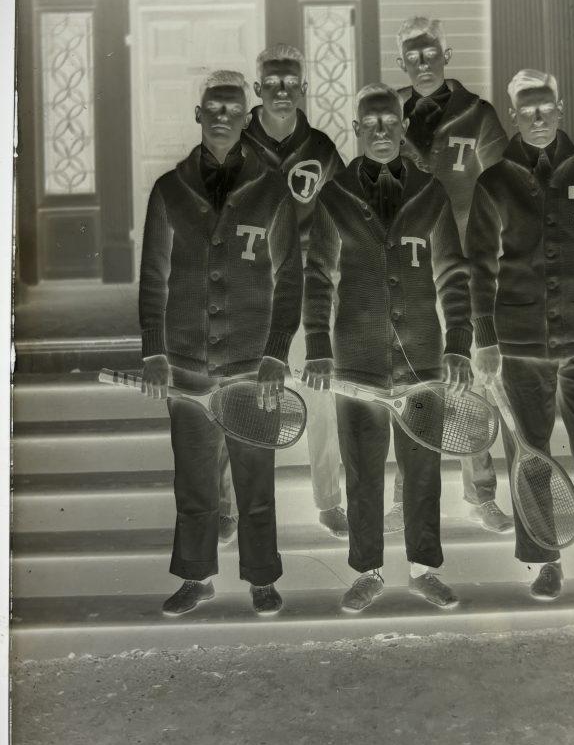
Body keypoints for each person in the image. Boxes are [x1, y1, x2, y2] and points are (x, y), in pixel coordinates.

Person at [467, 68, 574, 604]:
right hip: (520, 345)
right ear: (512, 115)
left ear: (560, 109)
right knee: (529, 453)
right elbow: (478, 267)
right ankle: (544, 560)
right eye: (527, 109)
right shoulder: (494, 181)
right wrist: (486, 337)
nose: (538, 117)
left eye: (546, 107)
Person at [302, 82, 473, 612]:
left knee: (422, 468)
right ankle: (366, 570)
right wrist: (316, 345)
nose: (380, 130)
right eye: (369, 122)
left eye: (389, 121)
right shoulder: (335, 196)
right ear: (355, 129)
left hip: (422, 355)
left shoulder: (430, 192)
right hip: (355, 358)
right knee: (363, 467)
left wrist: (460, 342)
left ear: (402, 127)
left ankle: (425, 569)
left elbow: (453, 273)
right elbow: (317, 275)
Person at [139, 70, 303, 617]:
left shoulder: (272, 190)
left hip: (250, 364)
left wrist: (277, 352)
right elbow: (153, 276)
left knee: (255, 477)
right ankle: (195, 576)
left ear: (247, 114)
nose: (224, 116)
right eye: (215, 106)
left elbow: (291, 277)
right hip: (185, 362)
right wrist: (154, 352)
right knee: (194, 477)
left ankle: (261, 577)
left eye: (235, 107)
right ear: (198, 113)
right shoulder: (168, 189)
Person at [383, 15, 513, 537]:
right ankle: (406, 495)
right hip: (409, 264)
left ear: (446, 54)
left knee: (470, 378)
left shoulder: (477, 113)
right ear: (401, 63)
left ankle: (481, 492)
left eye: (429, 52)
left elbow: (506, 186)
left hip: (463, 260)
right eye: (411, 55)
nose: (421, 62)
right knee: (411, 376)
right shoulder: (388, 112)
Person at [236, 43, 348, 538]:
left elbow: (347, 214)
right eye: (273, 81)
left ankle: (328, 499)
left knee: (318, 394)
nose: (283, 89)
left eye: (291, 81)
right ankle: (228, 506)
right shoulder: (235, 146)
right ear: (258, 89)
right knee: (237, 390)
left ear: (303, 88)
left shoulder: (321, 148)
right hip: (249, 285)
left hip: (305, 285)